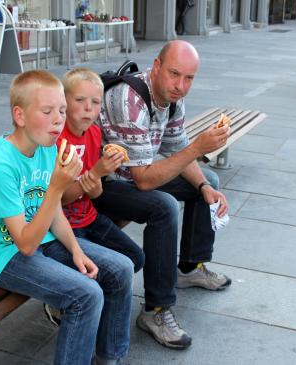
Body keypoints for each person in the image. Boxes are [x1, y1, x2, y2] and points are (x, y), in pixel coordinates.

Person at [0, 70, 133, 365]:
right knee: (86, 295)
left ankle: (109, 357)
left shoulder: (47, 148)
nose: (58, 119)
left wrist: (76, 251)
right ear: (20, 115)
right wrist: (57, 186)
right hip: (3, 254)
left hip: (42, 238)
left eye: (62, 111)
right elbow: (26, 245)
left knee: (122, 268)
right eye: (47, 111)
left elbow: (52, 212)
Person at [93, 40, 231, 349]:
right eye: (174, 74)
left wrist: (204, 187)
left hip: (133, 174)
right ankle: (155, 309)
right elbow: (142, 181)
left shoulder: (172, 96)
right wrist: (199, 148)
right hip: (99, 184)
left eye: (189, 78)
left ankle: (190, 267)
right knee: (163, 207)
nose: (181, 86)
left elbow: (176, 148)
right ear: (156, 66)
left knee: (207, 179)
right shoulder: (127, 101)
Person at [57, 68, 145, 273]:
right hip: (63, 226)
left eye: (95, 102)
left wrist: (98, 179)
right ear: (64, 101)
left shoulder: (94, 133)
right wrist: (96, 173)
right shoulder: (57, 139)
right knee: (104, 270)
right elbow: (60, 199)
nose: (88, 108)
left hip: (89, 217)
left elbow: (95, 193)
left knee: (135, 258)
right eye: (79, 100)